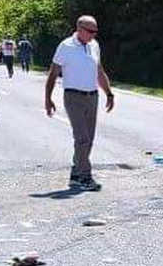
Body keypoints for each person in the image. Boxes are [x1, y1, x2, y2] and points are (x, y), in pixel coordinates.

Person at [45, 16, 114, 191]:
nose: (93, 34)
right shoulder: (66, 46)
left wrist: (109, 93)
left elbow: (99, 71)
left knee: (89, 139)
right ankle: (85, 177)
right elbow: (53, 73)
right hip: (73, 96)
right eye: (90, 31)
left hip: (92, 96)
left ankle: (76, 173)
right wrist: (48, 98)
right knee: (82, 138)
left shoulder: (94, 45)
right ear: (79, 29)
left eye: (95, 31)